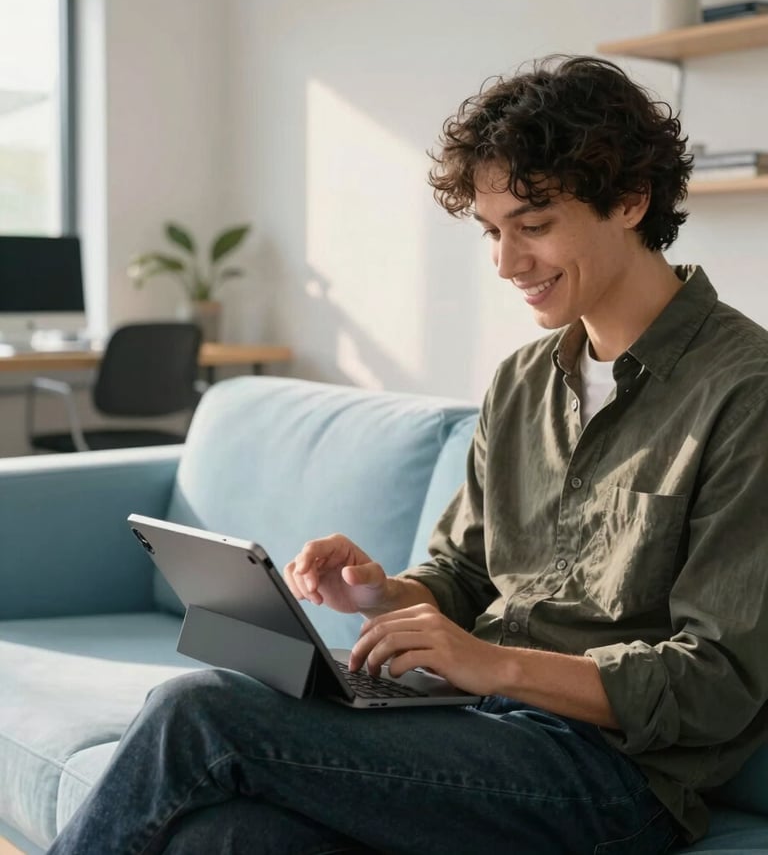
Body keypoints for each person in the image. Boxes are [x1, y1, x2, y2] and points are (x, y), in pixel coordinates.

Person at [48, 55, 768, 855]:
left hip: (611, 778)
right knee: (226, 836)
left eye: (533, 225)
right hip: (474, 726)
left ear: (631, 201)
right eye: (493, 232)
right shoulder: (526, 380)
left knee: (200, 712)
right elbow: (463, 575)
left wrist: (491, 664)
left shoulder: (744, 391)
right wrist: (381, 594)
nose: (506, 263)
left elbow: (718, 680)